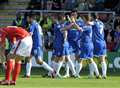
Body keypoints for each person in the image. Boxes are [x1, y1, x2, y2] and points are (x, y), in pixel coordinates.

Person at [25, 12, 55, 78]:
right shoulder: (38, 25)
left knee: (34, 59)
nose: (26, 19)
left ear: (30, 18)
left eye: (27, 18)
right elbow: (41, 35)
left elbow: (30, 34)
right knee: (34, 59)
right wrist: (42, 44)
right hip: (37, 44)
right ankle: (28, 74)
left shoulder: (32, 25)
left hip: (35, 44)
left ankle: (52, 71)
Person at [51, 13, 76, 78]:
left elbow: (67, 27)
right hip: (60, 44)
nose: (65, 19)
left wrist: (71, 22)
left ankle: (73, 73)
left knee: (63, 58)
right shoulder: (58, 25)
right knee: (61, 58)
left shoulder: (61, 24)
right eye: (64, 18)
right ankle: (55, 73)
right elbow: (65, 29)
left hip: (62, 43)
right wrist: (72, 24)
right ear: (61, 19)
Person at [92, 13, 107, 79]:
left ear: (92, 17)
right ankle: (104, 75)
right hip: (103, 42)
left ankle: (95, 74)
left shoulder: (94, 23)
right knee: (102, 59)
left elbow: (88, 24)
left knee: (90, 58)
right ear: (97, 17)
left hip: (97, 43)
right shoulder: (101, 23)